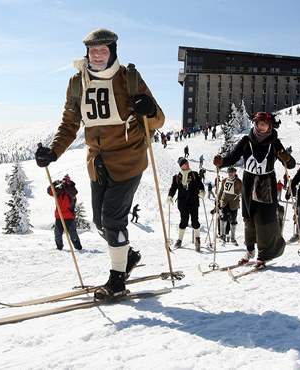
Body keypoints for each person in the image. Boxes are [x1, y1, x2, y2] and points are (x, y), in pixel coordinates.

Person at [34, 28, 165, 300]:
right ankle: (127, 257)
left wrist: (149, 109)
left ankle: (117, 281)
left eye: (104, 50)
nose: (98, 55)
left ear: (113, 51)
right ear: (87, 52)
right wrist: (54, 152)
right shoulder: (76, 83)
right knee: (99, 223)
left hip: (129, 157)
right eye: (93, 50)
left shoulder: (128, 78)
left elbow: (158, 120)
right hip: (98, 161)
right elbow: (70, 124)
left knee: (113, 219)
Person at [213, 112, 295, 267]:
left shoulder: (274, 143)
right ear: (255, 125)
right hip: (249, 182)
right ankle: (250, 250)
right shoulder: (246, 141)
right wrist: (221, 162)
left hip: (266, 183)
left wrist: (287, 158)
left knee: (264, 220)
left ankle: (264, 255)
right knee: (248, 217)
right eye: (259, 124)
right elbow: (233, 157)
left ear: (270, 126)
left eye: (265, 125)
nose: (262, 127)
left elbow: (290, 165)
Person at [166, 157, 206, 252]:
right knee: (183, 221)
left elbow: (200, 185)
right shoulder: (177, 177)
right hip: (182, 203)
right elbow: (173, 188)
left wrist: (202, 191)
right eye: (185, 163)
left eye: (187, 163)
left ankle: (197, 239)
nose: (187, 165)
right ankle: (179, 240)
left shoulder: (194, 174)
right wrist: (170, 196)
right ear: (181, 166)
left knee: (195, 221)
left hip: (193, 201)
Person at [47, 174, 83, 251]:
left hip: (69, 216)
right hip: (59, 216)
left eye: (66, 182)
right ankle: (59, 247)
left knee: (73, 234)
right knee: (57, 233)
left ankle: (78, 247)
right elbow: (49, 191)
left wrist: (66, 185)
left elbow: (73, 193)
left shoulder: (72, 191)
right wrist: (55, 183)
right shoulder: (59, 192)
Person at [217, 167, 243, 245]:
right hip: (224, 201)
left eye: (232, 172)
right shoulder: (224, 180)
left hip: (234, 203)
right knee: (223, 217)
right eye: (229, 172)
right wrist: (218, 199)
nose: (230, 174)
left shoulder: (238, 182)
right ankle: (222, 236)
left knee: (233, 220)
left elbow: (242, 192)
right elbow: (221, 190)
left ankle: (233, 238)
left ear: (235, 173)